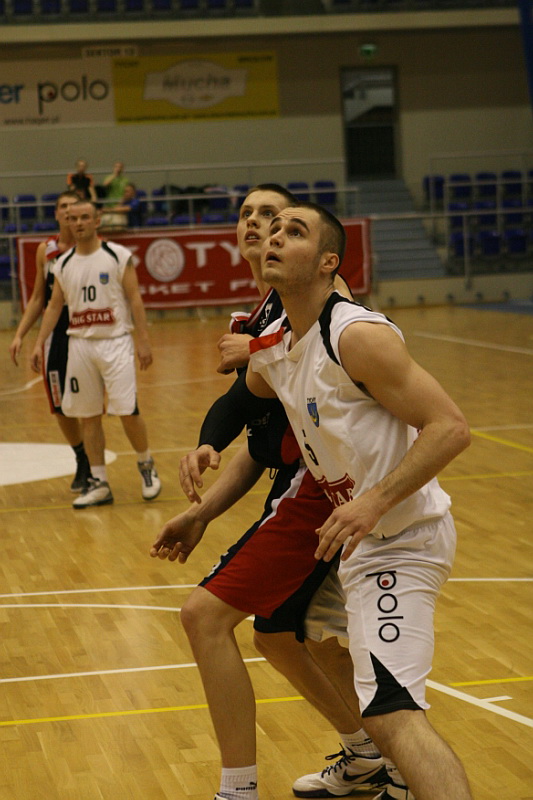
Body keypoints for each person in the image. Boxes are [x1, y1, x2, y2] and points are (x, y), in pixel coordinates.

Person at [151, 186, 389, 800]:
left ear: (322, 252)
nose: (261, 226)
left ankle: (242, 788)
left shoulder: (319, 306)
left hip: (325, 487)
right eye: (249, 216)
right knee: (281, 633)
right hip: (307, 483)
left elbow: (330, 349)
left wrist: (257, 347)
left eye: (277, 218)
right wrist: (204, 501)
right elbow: (254, 430)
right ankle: (372, 754)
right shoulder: (269, 313)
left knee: (209, 617)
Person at [245, 202, 473, 800]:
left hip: (401, 539)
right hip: (355, 546)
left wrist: (372, 501)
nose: (274, 236)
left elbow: (450, 428)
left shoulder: (355, 335)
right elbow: (252, 389)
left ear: (328, 263)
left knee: (393, 712)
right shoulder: (273, 345)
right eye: (272, 230)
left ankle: (397, 764)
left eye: (294, 231)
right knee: (289, 633)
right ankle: (380, 769)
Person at [29, 200, 161, 509]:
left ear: (97, 220)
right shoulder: (62, 263)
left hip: (115, 342)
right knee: (88, 416)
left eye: (85, 217)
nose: (78, 223)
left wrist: (143, 341)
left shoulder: (117, 255)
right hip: (80, 345)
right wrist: (39, 342)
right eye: (73, 218)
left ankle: (146, 465)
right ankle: (99, 482)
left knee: (127, 411)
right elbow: (53, 306)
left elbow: (135, 298)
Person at [9, 190, 92, 493]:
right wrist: (20, 334)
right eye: (63, 207)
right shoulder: (46, 250)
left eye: (74, 206)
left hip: (86, 328)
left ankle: (95, 466)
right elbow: (37, 298)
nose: (69, 212)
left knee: (90, 402)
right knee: (59, 404)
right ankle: (82, 457)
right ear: (57, 214)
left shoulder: (93, 249)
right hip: (56, 331)